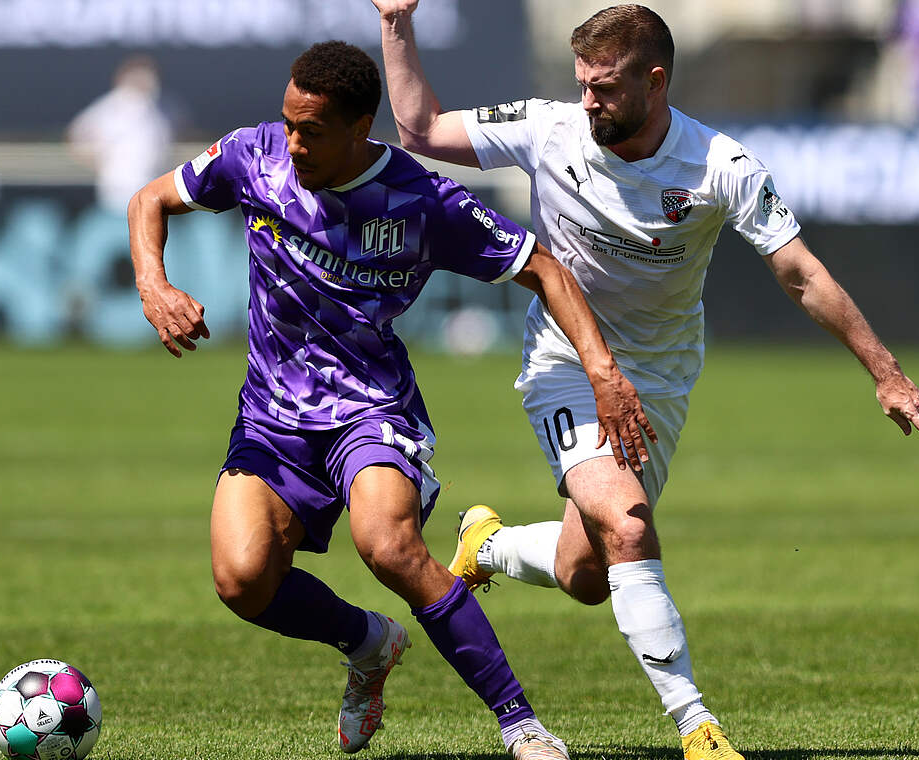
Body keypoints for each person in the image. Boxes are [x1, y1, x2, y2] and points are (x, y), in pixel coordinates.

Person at [372, 3, 919, 759]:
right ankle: (695, 725)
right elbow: (421, 131)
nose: (588, 102)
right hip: (566, 368)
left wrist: (888, 375)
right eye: (582, 83)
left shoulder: (720, 165)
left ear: (655, 79)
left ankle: (491, 548)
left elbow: (801, 274)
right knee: (631, 525)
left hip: (662, 383)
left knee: (588, 569)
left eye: (605, 87)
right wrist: (396, 20)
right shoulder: (550, 128)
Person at [127, 40, 652, 760]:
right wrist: (155, 286)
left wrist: (602, 372)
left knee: (390, 546)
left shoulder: (422, 200)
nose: (293, 143)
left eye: (311, 130)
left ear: (360, 127)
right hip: (271, 420)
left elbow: (544, 270)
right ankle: (368, 642)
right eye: (287, 123)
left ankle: (520, 724)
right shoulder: (253, 157)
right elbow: (149, 198)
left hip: (371, 410)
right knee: (242, 580)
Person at [70, 55, 174, 214]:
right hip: (116, 192)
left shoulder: (160, 109)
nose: (146, 82)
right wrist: (98, 163)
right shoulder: (109, 108)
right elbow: (77, 136)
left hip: (151, 189)